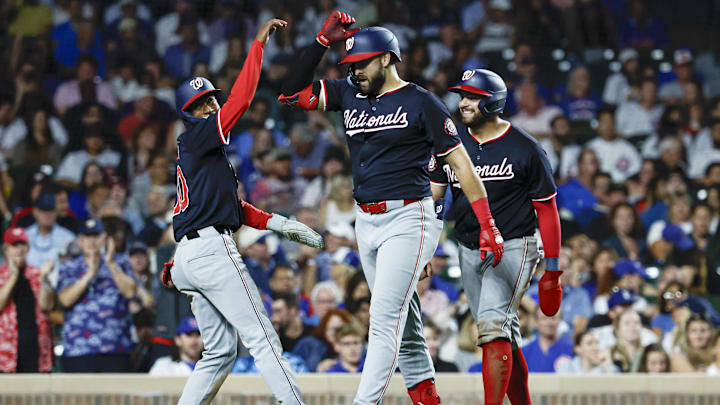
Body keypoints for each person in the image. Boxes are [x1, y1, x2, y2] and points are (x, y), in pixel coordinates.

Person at [278, 14, 504, 405]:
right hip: (365, 220)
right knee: (407, 327)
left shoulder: (421, 102)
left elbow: (461, 165)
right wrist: (320, 42)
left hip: (409, 217)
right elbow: (288, 92)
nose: (355, 71)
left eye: (362, 63)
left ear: (386, 59)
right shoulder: (349, 93)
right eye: (350, 65)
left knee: (382, 320)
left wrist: (487, 223)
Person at [163, 19, 323, 405]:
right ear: (190, 113)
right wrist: (256, 46)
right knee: (263, 336)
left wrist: (280, 224)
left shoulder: (205, 155)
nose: (212, 105)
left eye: (212, 99)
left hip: (191, 254)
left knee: (218, 353)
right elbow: (242, 101)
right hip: (209, 251)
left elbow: (233, 209)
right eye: (202, 104)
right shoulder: (197, 137)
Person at [430, 69, 561, 405]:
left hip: (515, 246)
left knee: (490, 327)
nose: (464, 103)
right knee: (503, 336)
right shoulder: (451, 142)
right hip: (468, 247)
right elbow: (434, 197)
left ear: (493, 101)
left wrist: (552, 272)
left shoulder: (526, 148)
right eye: (462, 96)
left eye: (472, 97)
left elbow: (547, 210)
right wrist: (425, 246)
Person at [57, 219, 138, 372]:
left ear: (105, 239)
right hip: (78, 349)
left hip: (115, 348)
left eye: (96, 236)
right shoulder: (69, 267)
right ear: (80, 241)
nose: (92, 241)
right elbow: (65, 300)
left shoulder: (120, 262)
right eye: (87, 237)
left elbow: (130, 292)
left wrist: (111, 264)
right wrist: (90, 274)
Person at [0, 227, 54, 372]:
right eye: (14, 245)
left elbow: (46, 305)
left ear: (28, 247)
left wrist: (44, 279)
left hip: (35, 346)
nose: (19, 249)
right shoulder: (1, 275)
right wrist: (13, 277)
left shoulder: (36, 273)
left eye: (22, 244)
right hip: (6, 351)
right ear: (6, 249)